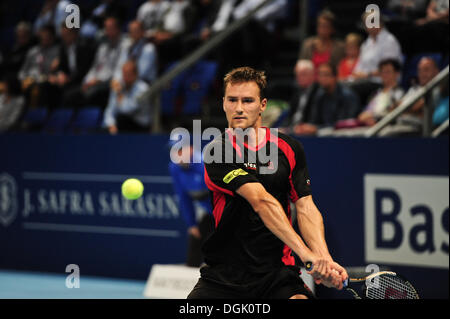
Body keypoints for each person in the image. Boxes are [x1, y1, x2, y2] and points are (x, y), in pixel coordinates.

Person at [187, 66, 347, 299]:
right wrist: (305, 254)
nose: (239, 108)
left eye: (248, 101)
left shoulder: (290, 148)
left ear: (262, 105)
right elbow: (261, 202)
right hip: (225, 277)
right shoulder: (218, 152)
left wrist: (323, 258)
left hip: (278, 274)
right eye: (232, 100)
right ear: (223, 103)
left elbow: (305, 206)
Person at [168, 138, 214, 267]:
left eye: (181, 150)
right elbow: (183, 198)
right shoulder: (174, 167)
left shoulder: (206, 165)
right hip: (208, 212)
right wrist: (192, 224)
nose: (177, 155)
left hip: (226, 211)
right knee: (195, 235)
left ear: (191, 149)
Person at [295, 63, 361, 135]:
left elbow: (343, 125)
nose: (322, 78)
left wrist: (317, 128)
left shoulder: (347, 96)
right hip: (323, 135)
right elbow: (314, 120)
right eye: (320, 75)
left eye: (326, 75)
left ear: (335, 77)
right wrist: (307, 127)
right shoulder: (319, 95)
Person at [102, 60, 151, 134]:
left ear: (136, 74)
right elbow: (110, 109)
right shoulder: (119, 86)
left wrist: (119, 94)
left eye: (128, 74)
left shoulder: (143, 89)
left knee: (121, 119)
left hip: (140, 126)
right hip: (123, 123)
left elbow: (127, 110)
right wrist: (111, 125)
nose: (125, 78)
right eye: (124, 74)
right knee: (105, 129)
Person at [357, 58, 404, 126]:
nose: (384, 75)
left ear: (397, 74)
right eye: (382, 72)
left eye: (388, 72)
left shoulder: (400, 93)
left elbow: (393, 113)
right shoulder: (376, 93)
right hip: (369, 125)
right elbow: (366, 112)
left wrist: (375, 119)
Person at [282, 59, 319, 134]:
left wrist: (308, 127)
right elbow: (290, 115)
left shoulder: (318, 92)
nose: (298, 78)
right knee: (269, 138)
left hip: (307, 132)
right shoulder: (297, 92)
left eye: (303, 74)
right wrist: (284, 128)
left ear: (312, 75)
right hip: (292, 129)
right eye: (297, 74)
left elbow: (315, 119)